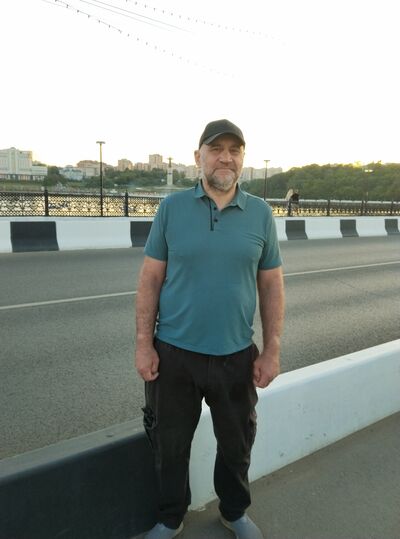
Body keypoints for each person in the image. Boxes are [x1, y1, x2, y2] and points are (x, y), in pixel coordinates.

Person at [135, 119, 285, 539]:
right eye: (216, 149)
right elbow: (150, 279)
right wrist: (144, 344)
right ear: (198, 156)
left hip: (236, 354)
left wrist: (271, 349)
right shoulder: (172, 208)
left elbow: (271, 285)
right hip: (174, 354)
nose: (226, 158)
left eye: (234, 150)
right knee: (170, 444)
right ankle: (170, 518)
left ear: (243, 159)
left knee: (237, 443)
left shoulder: (260, 214)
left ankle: (233, 512)